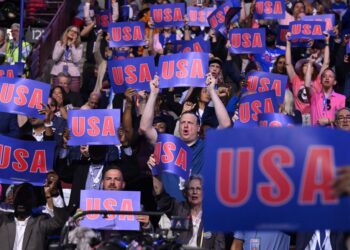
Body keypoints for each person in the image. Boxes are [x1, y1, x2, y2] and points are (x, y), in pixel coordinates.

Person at [139, 73, 231, 200]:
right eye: (183, 122)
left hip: (200, 205)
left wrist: (211, 91)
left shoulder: (206, 145)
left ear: (198, 127)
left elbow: (225, 124)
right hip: (174, 208)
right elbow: (145, 127)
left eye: (190, 123)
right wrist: (154, 93)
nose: (185, 126)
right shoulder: (168, 145)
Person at [148, 155, 225, 249]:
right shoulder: (179, 209)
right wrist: (155, 172)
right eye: (191, 189)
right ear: (186, 192)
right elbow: (160, 194)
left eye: (198, 189)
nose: (194, 192)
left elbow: (220, 247)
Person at [0, 174, 68, 250]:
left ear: (33, 201)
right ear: (14, 199)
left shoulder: (39, 223)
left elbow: (59, 220)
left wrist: (54, 193)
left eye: (26, 197)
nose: (22, 200)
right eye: (19, 195)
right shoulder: (3, 221)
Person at [51, 26, 83, 93]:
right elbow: (55, 58)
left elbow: (76, 60)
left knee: (74, 94)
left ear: (77, 35)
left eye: (75, 32)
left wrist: (72, 46)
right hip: (58, 71)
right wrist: (64, 45)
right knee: (57, 93)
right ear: (67, 32)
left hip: (73, 73)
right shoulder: (58, 43)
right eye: (71, 31)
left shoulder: (79, 46)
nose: (73, 33)